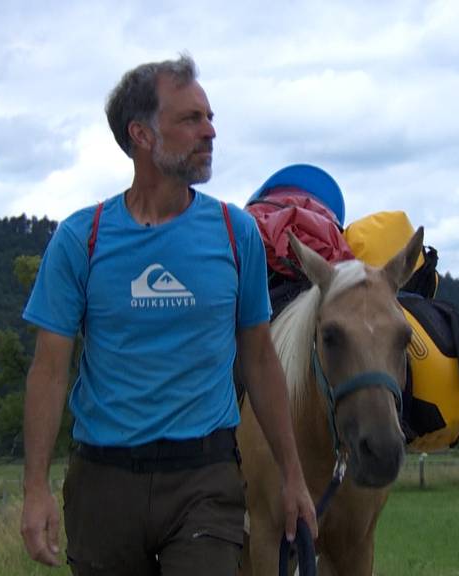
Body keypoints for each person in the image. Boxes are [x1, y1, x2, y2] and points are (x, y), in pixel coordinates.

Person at [19, 55, 317, 575]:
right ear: (142, 135)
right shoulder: (80, 240)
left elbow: (261, 362)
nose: (210, 132)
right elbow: (48, 371)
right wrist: (34, 488)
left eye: (210, 116)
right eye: (191, 119)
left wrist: (293, 475)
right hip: (104, 482)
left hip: (205, 479)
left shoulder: (235, 233)